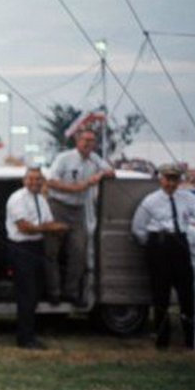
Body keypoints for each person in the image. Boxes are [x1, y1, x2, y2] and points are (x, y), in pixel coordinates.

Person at [131, 163, 195, 349]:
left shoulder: (187, 197)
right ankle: (162, 339)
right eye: (167, 179)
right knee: (160, 294)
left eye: (175, 179)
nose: (171, 183)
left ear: (179, 180)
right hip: (159, 246)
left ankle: (191, 338)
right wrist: (152, 246)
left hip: (180, 244)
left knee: (186, 293)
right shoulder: (150, 201)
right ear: (161, 179)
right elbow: (138, 228)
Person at [46, 128, 115, 305]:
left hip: (78, 210)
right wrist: (80, 187)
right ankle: (53, 292)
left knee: (79, 252)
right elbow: (51, 182)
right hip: (58, 206)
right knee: (52, 252)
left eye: (91, 141)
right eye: (84, 140)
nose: (87, 144)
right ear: (77, 141)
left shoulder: (94, 159)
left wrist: (98, 175)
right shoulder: (64, 158)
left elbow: (111, 172)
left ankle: (71, 292)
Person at [5, 166, 69, 349]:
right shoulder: (17, 199)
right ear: (24, 181)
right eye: (31, 179)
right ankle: (24, 339)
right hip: (21, 248)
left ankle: (31, 333)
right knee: (26, 294)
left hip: (36, 247)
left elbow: (47, 221)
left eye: (38, 179)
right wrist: (52, 229)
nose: (35, 182)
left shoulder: (41, 199)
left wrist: (60, 228)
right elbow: (24, 227)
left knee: (35, 294)